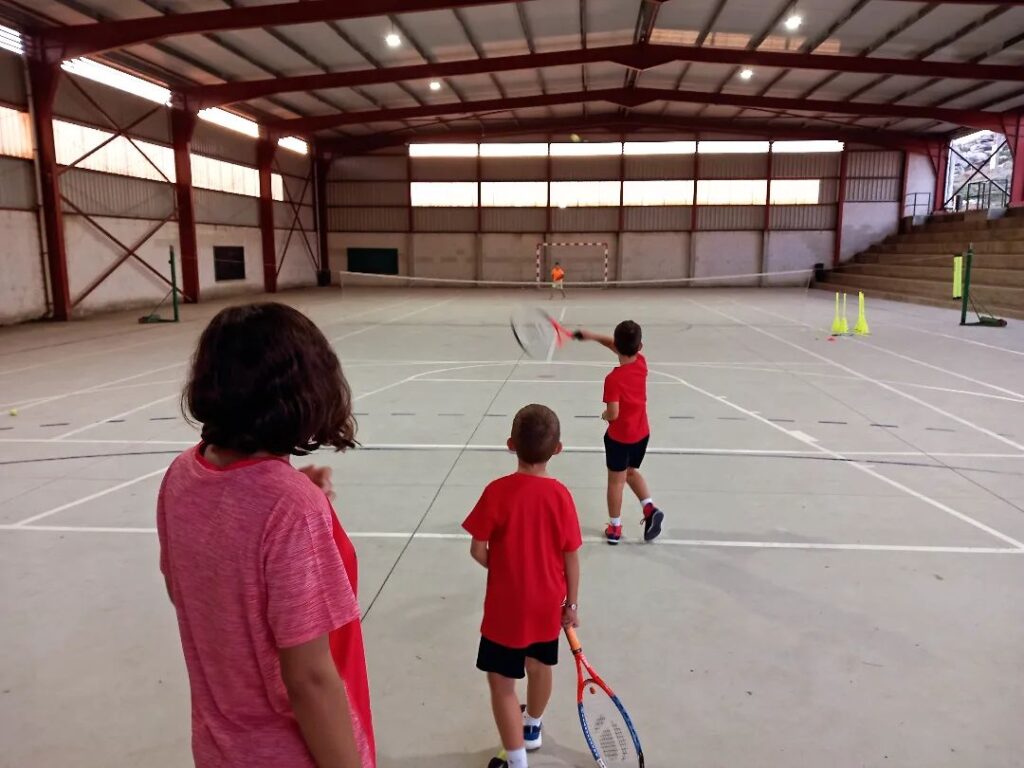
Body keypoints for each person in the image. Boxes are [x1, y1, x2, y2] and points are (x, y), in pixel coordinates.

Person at [157, 303, 374, 768]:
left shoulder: (181, 474)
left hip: (218, 749)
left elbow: (190, 590)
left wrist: (290, 498)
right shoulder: (289, 506)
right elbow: (309, 679)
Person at [463, 404, 582, 768]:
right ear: (558, 449)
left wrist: (503, 568)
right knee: (539, 666)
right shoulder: (561, 496)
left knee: (502, 685)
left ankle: (516, 760)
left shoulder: (497, 491)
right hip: (547, 604)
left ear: (511, 444)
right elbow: (571, 555)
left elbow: (477, 549)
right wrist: (571, 605)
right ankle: (533, 726)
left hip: (506, 607)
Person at [577, 320, 665, 545]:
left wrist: (604, 416)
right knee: (631, 472)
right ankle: (649, 508)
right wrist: (594, 336)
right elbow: (617, 346)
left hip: (620, 439)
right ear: (640, 347)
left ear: (616, 344)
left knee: (616, 481)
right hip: (641, 434)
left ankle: (615, 528)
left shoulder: (613, 380)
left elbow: (613, 413)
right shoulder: (642, 363)